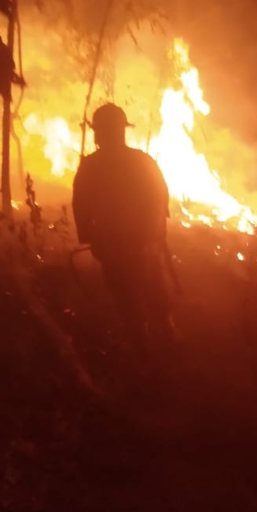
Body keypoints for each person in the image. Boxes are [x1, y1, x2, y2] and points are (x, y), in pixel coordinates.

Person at [72, 103, 175, 352]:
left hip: (113, 243)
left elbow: (80, 204)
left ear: (100, 133)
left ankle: (142, 340)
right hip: (141, 241)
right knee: (152, 286)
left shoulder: (90, 165)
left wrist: (89, 237)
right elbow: (161, 197)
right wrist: (157, 233)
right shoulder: (142, 160)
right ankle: (166, 332)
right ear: (121, 131)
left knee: (126, 293)